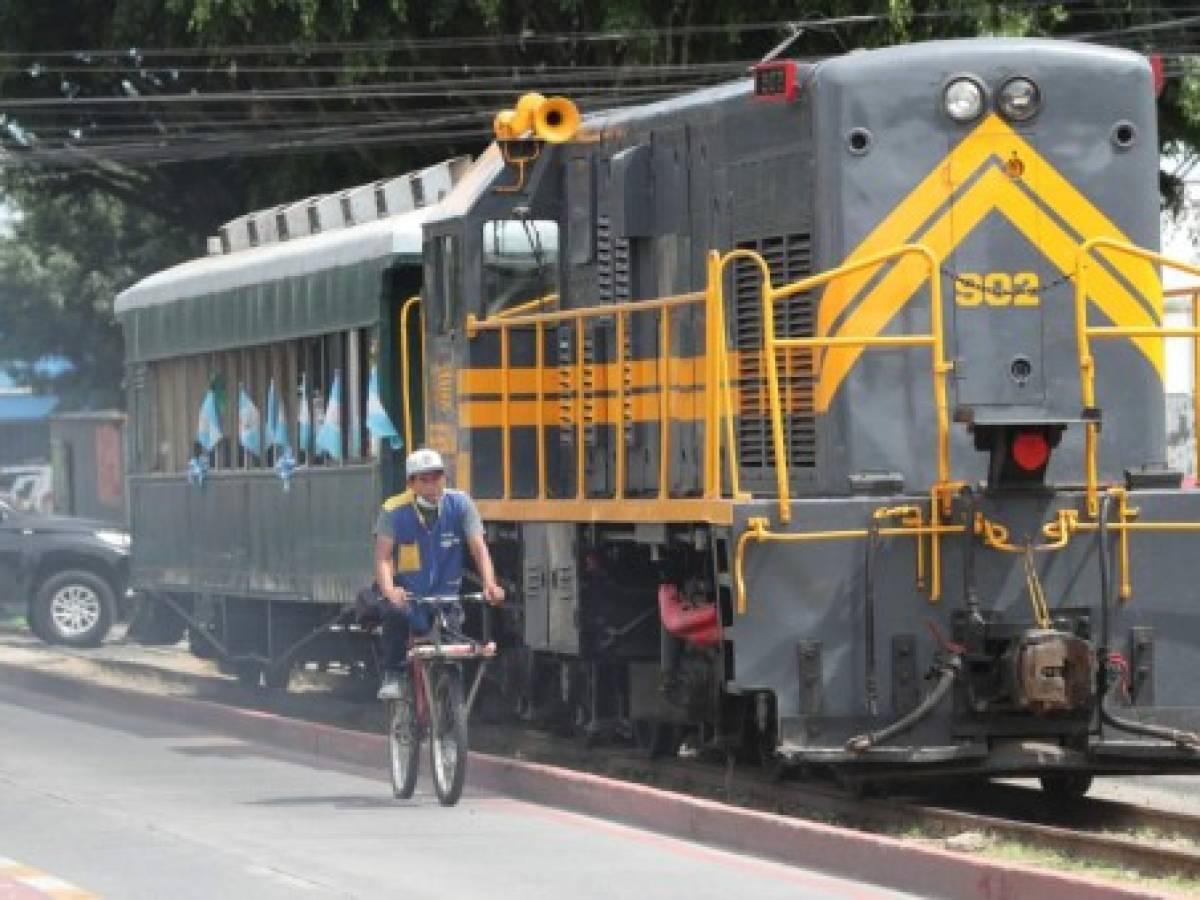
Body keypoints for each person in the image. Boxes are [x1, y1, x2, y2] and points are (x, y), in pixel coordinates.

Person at [374, 447, 504, 699]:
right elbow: (383, 557)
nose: (432, 485)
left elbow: (479, 547)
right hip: (409, 596)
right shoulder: (393, 510)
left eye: (437, 477)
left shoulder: (460, 504)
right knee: (395, 617)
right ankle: (394, 676)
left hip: (447, 598)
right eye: (424, 479)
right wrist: (390, 590)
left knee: (452, 655)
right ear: (411, 483)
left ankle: (449, 718)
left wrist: (490, 584)